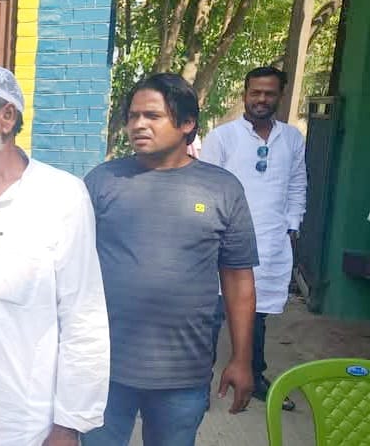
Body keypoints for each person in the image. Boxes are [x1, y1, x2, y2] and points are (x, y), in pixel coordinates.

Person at [82, 73, 258, 446]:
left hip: (182, 370)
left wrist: (242, 359)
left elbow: (238, 280)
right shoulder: (102, 182)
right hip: (104, 367)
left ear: (187, 123)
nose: (138, 125)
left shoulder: (222, 189)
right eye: (133, 116)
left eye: (152, 116)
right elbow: (70, 268)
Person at [0, 64, 110, 446]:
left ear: (6, 117)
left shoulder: (61, 197)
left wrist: (68, 426)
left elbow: (83, 318)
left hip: (21, 422)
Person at [201, 66, 307, 411]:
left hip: (269, 238)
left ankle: (254, 375)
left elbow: (297, 184)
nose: (261, 99)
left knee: (256, 314)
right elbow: (206, 185)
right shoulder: (223, 137)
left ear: (280, 96)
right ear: (245, 94)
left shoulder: (291, 138)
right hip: (224, 239)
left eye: (269, 93)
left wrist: (292, 225)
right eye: (255, 92)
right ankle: (197, 383)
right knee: (212, 314)